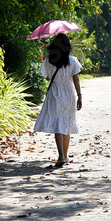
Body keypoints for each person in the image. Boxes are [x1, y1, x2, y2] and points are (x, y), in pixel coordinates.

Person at [33, 33, 82, 168]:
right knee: (65, 123)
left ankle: (62, 155)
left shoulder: (49, 60)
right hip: (69, 92)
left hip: (55, 92)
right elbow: (76, 79)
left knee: (58, 124)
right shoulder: (73, 60)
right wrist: (80, 96)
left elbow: (47, 78)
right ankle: (64, 155)